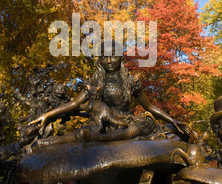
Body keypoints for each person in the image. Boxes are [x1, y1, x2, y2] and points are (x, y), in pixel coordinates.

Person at [23, 46, 189, 148]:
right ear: (99, 60)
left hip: (126, 122)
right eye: (104, 57)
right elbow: (74, 103)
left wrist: (172, 120)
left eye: (114, 56)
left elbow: (149, 107)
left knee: (138, 128)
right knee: (82, 133)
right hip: (103, 121)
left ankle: (100, 139)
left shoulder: (132, 81)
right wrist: (47, 115)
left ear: (121, 58)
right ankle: (48, 142)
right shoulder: (95, 81)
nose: (109, 61)